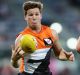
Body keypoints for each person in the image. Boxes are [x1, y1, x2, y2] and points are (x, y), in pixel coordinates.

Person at [11, 1, 74, 75]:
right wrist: (14, 60)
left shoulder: (52, 33)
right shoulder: (21, 38)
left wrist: (66, 56)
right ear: (25, 17)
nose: (34, 17)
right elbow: (16, 64)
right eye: (31, 15)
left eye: (36, 14)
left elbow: (59, 53)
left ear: (41, 16)